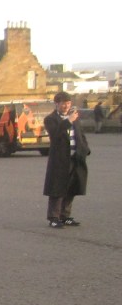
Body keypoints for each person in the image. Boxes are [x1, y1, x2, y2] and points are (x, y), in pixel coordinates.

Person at [43, 91, 90, 228]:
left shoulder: (74, 118)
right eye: (63, 103)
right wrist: (68, 120)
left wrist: (85, 149)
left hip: (75, 158)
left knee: (71, 188)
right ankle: (54, 217)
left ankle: (65, 216)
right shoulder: (50, 119)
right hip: (60, 160)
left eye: (68, 103)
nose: (66, 106)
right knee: (57, 189)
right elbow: (55, 134)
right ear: (57, 104)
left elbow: (81, 135)